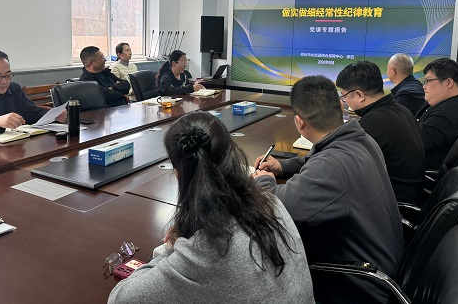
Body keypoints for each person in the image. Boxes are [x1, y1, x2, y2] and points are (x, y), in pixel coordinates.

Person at [108, 111, 315, 303]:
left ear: (179, 174)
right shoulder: (270, 202)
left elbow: (121, 298)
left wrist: (171, 248)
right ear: (232, 155)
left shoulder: (206, 249)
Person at [253, 76, 403, 304]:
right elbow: (320, 158)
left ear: (299, 122)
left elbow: (274, 208)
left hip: (360, 286)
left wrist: (264, 181)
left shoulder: (332, 167)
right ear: (341, 107)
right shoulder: (361, 139)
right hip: (381, 262)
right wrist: (282, 166)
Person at [336, 61, 425, 204]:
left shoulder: (373, 123)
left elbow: (341, 167)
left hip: (392, 202)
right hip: (411, 193)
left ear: (359, 95)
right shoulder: (400, 110)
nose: (345, 101)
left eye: (344, 96)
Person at [418, 58, 458, 170]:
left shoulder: (445, 116)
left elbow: (412, 146)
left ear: (448, 83)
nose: (424, 86)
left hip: (422, 173)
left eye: (428, 81)